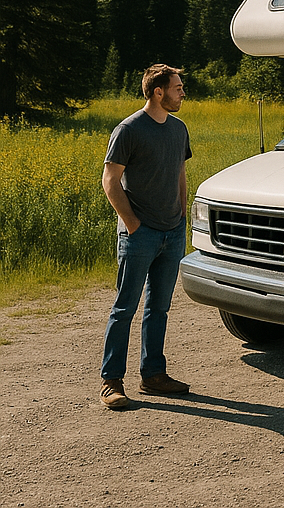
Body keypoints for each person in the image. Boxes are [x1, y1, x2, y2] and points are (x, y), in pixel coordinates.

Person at [99, 64, 192, 410]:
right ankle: (111, 382)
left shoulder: (179, 129)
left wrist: (182, 214)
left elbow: (181, 173)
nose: (182, 92)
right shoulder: (129, 130)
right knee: (124, 308)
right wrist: (133, 224)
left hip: (172, 233)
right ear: (158, 92)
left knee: (159, 308)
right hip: (140, 236)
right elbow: (110, 181)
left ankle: (153, 375)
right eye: (177, 87)